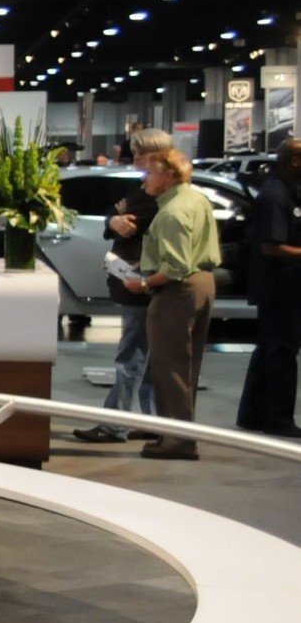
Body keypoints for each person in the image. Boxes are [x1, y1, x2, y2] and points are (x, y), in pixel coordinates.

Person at [73, 127, 174, 445]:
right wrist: (113, 220)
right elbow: (115, 215)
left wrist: (118, 219)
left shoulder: (160, 194)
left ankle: (115, 424)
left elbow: (131, 219)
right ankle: (150, 420)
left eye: (141, 153)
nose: (136, 158)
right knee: (143, 355)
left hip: (144, 282)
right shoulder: (141, 187)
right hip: (133, 280)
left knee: (132, 355)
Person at [130, 146, 222, 462]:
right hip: (202, 284)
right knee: (186, 367)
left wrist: (143, 283)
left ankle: (178, 440)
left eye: (150, 172)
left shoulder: (172, 212)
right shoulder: (196, 199)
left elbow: (176, 268)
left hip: (179, 291)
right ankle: (175, 434)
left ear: (168, 175)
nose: (145, 179)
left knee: (170, 368)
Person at [235, 137, 301, 437]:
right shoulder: (275, 195)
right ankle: (279, 419)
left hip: (285, 286)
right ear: (294, 161)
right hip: (280, 288)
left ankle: (252, 415)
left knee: (269, 350)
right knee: (281, 354)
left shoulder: (287, 191)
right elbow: (271, 246)